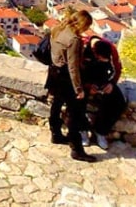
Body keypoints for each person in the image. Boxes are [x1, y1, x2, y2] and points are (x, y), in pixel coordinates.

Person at [46, 9, 97, 162]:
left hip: (54, 72)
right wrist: (79, 89)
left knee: (56, 104)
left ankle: (55, 134)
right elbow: (73, 67)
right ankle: (77, 149)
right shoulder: (73, 39)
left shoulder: (58, 29)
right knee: (74, 113)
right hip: (65, 78)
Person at [79, 35, 126, 150]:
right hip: (84, 80)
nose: (101, 61)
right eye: (100, 59)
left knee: (118, 102)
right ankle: (82, 130)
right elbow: (76, 70)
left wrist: (111, 83)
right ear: (95, 54)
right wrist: (88, 86)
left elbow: (117, 69)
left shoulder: (111, 49)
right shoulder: (82, 48)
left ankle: (101, 131)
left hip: (103, 80)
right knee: (77, 100)